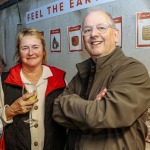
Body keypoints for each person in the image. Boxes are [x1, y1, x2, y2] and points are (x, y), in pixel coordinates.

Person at [52, 8, 150, 150]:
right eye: (87, 30)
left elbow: (105, 115)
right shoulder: (81, 73)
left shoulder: (132, 70)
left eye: (101, 28)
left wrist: (70, 104)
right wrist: (92, 110)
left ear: (115, 35)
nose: (93, 34)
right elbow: (57, 110)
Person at [0, 28, 67, 150]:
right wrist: (11, 111)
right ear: (19, 52)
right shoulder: (4, 81)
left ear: (43, 50)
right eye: (25, 48)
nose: (30, 53)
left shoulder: (60, 80)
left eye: (35, 47)